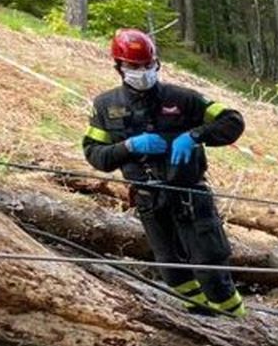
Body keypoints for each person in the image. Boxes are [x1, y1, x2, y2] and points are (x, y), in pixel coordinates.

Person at [82, 29, 247, 317]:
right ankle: (204, 322)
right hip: (149, 201)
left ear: (157, 63)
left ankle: (241, 325)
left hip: (190, 197)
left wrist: (195, 135)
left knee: (211, 272)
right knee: (174, 274)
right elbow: (95, 155)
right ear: (119, 67)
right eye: (134, 67)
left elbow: (232, 121)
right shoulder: (106, 107)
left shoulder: (183, 99)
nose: (143, 73)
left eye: (148, 65)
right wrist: (129, 146)